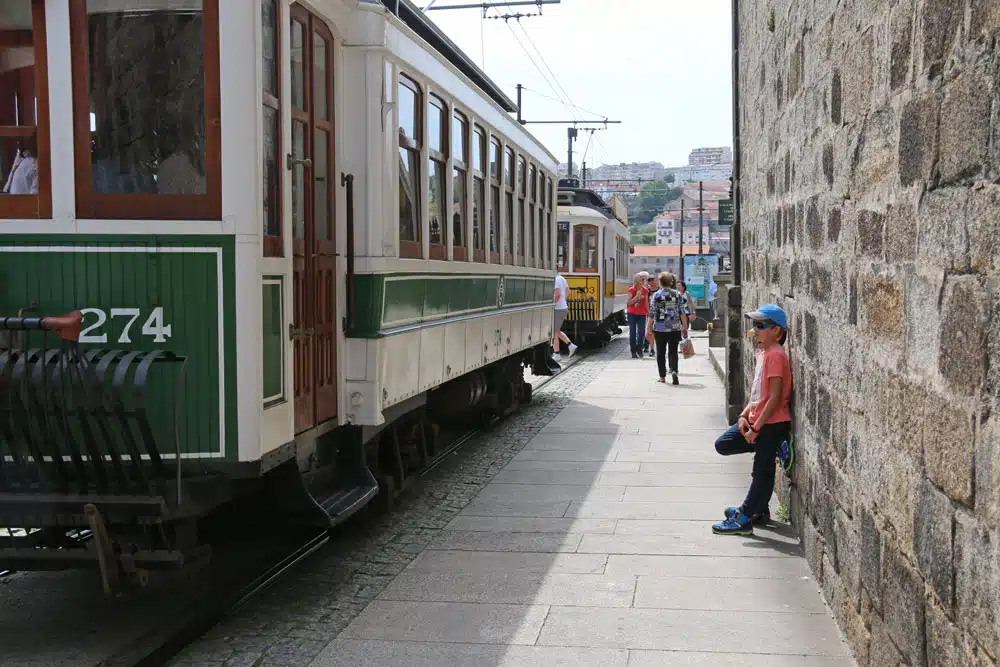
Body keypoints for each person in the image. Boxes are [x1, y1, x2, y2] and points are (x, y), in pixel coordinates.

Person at [712, 304, 794, 535]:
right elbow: (759, 394)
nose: (754, 331)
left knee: (761, 471)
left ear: (777, 331)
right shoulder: (764, 354)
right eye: (754, 326)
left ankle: (745, 517)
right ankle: (758, 507)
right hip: (758, 421)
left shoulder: (776, 355)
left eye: (760, 326)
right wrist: (743, 416)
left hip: (770, 423)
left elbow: (776, 398)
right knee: (724, 444)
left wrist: (756, 429)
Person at [646, 272, 689, 384]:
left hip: (660, 328)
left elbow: (652, 313)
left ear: (660, 282)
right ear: (671, 282)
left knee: (660, 353)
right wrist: (684, 327)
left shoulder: (656, 295)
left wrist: (648, 328)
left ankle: (662, 377)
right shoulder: (677, 294)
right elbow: (682, 312)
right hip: (674, 327)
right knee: (673, 351)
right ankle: (674, 370)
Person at [552, 272, 577, 361]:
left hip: (557, 309)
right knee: (556, 331)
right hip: (563, 307)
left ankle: (557, 354)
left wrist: (552, 304)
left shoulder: (555, 279)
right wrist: (563, 300)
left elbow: (557, 294)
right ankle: (571, 346)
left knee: (554, 332)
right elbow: (568, 292)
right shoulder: (562, 278)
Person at [626, 272, 649, 359]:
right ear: (636, 281)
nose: (643, 281)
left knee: (641, 332)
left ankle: (639, 349)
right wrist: (636, 297)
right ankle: (633, 351)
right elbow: (628, 303)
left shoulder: (645, 290)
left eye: (644, 279)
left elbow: (646, 303)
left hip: (642, 314)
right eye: (641, 279)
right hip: (632, 314)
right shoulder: (631, 290)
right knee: (632, 333)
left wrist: (649, 313)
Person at [642, 275, 657, 358]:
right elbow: (646, 302)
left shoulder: (660, 290)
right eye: (649, 280)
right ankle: (652, 349)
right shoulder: (647, 291)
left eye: (652, 280)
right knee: (650, 332)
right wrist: (649, 312)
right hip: (651, 314)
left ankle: (654, 347)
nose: (650, 282)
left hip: (660, 314)